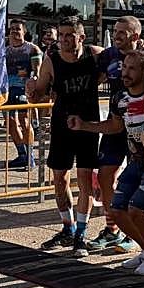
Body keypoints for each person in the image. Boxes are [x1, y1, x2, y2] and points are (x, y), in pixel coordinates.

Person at [68, 50, 144, 271]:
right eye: (124, 67)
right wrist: (85, 125)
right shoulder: (120, 98)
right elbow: (115, 126)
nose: (124, 73)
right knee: (116, 210)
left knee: (136, 209)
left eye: (131, 68)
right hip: (135, 162)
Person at [86, 16, 144, 253]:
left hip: (142, 126)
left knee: (135, 180)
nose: (117, 35)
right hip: (116, 120)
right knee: (105, 174)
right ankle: (113, 229)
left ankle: (138, 237)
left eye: (123, 32)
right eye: (115, 31)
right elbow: (90, 79)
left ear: (136, 36)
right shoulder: (108, 56)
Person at [29, 16, 103, 254]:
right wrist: (32, 91)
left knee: (84, 180)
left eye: (69, 35)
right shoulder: (51, 61)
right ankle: (67, 228)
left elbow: (124, 57)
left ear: (81, 37)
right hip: (62, 125)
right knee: (59, 179)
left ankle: (81, 234)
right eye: (61, 35)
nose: (63, 39)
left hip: (88, 126)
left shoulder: (95, 55)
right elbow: (39, 93)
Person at [4, 20, 43, 169]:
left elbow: (37, 72)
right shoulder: (5, 50)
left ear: (24, 31)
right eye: (12, 29)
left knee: (24, 121)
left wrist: (33, 84)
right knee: (10, 122)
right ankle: (22, 154)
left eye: (18, 29)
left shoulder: (32, 49)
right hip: (7, 90)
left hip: (24, 90)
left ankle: (30, 157)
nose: (15, 32)